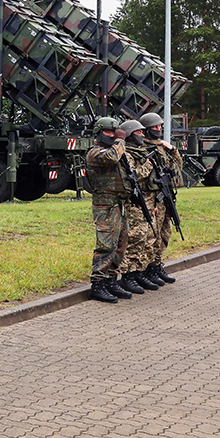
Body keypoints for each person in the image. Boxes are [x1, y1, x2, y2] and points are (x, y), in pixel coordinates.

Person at [85, 117, 135, 303]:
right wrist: (121, 139)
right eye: (109, 132)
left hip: (120, 204)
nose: (113, 135)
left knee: (121, 244)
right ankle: (98, 284)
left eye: (115, 132)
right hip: (105, 205)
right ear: (99, 133)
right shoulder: (95, 152)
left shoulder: (116, 150)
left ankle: (111, 280)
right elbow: (111, 157)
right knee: (106, 245)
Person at [115, 119, 163, 295]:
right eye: (139, 132)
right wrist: (147, 166)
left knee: (148, 238)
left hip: (147, 201)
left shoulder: (141, 152)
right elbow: (132, 176)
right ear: (130, 134)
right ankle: (127, 275)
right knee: (136, 238)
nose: (142, 135)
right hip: (134, 203)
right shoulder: (127, 154)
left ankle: (139, 272)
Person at [140, 112, 182, 286]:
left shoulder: (161, 147)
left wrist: (172, 149)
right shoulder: (142, 148)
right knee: (152, 235)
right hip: (151, 197)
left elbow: (178, 166)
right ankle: (146, 269)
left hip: (165, 195)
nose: (158, 129)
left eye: (159, 126)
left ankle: (156, 266)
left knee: (165, 233)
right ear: (146, 129)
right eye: (154, 127)